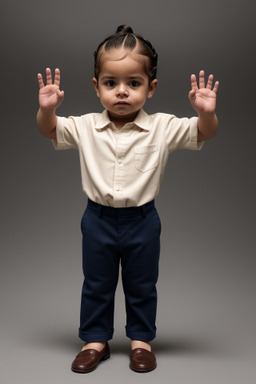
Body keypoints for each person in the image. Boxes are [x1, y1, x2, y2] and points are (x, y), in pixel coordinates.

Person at [37, 25, 219, 374]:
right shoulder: (86, 126)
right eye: (111, 83)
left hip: (142, 221)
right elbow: (49, 129)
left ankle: (140, 341)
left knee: (142, 283)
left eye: (133, 83)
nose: (122, 92)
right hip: (97, 220)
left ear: (151, 88)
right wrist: (47, 109)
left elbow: (202, 133)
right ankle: (94, 340)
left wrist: (206, 114)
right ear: (96, 86)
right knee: (96, 282)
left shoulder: (163, 127)